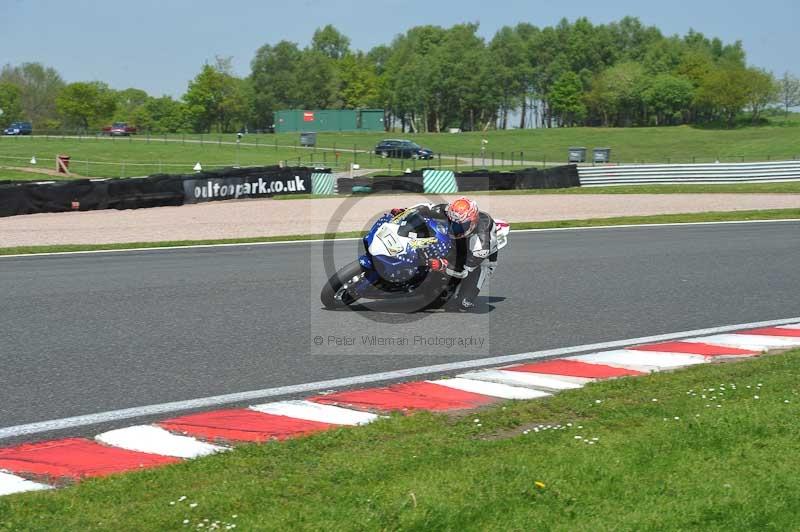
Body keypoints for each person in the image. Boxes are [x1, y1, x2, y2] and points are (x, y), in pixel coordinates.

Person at [390, 197, 498, 311]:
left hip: (478, 262)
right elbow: (427, 208)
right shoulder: (453, 212)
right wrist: (406, 211)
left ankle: (458, 290)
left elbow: (463, 270)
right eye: (453, 223)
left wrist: (442, 266)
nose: (455, 228)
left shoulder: (481, 245)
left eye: (460, 226)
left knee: (463, 305)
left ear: (473, 222)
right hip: (458, 245)